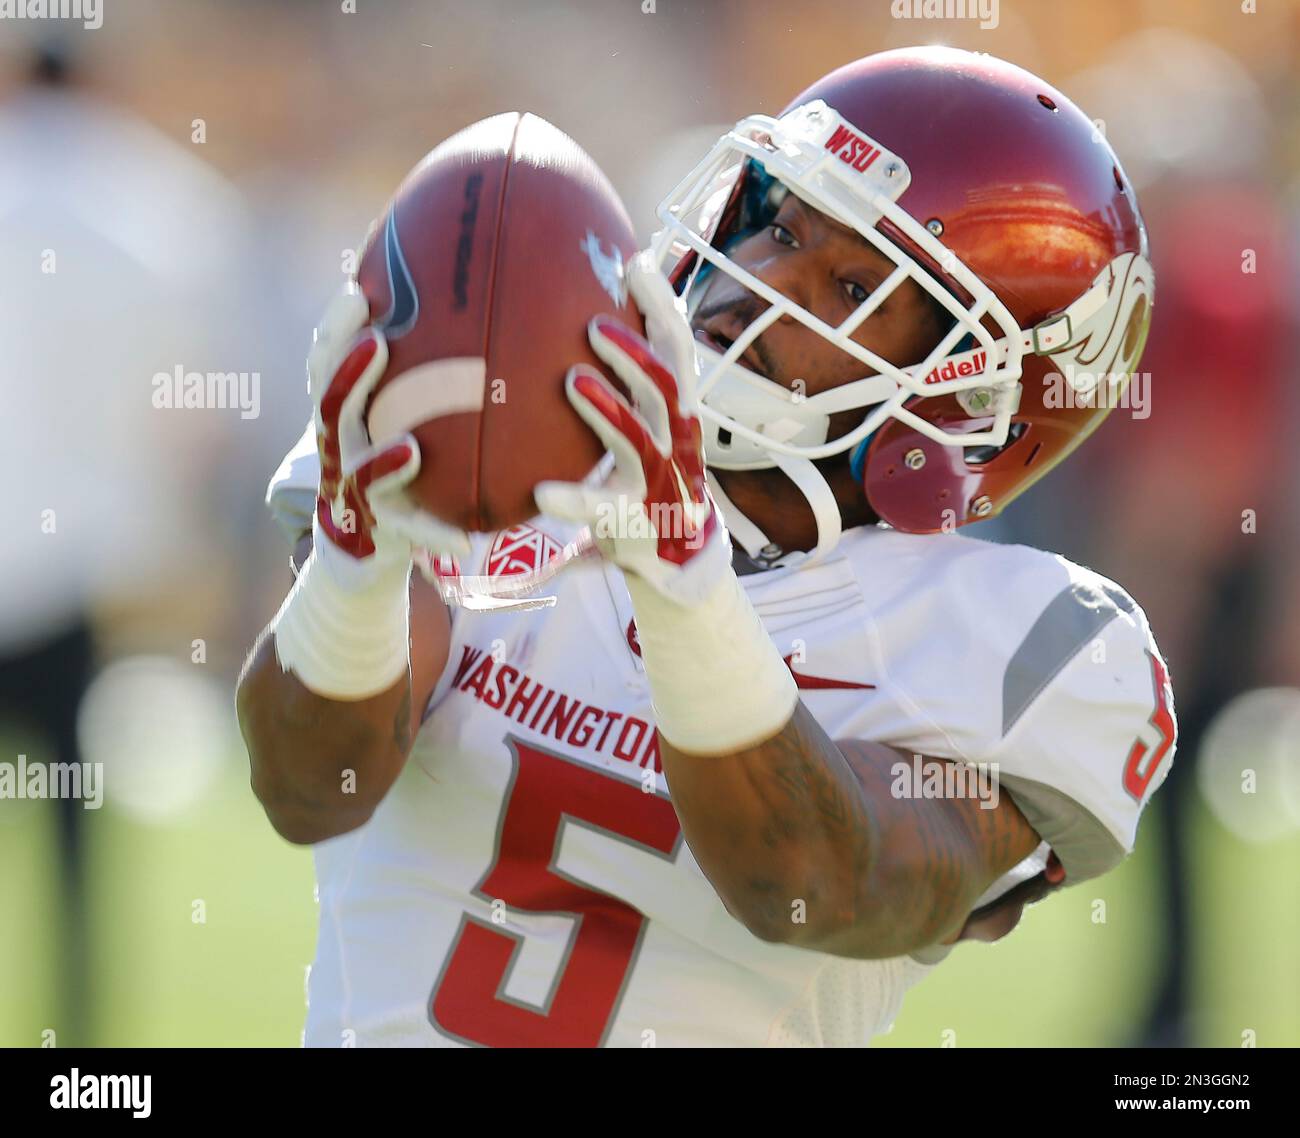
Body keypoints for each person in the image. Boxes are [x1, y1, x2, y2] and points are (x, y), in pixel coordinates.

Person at [236, 46, 1175, 1047]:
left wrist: (686, 589)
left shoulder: (1027, 640)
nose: (758, 279)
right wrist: (356, 556)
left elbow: (819, 886)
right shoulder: (509, 446)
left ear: (969, 391)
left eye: (849, 280)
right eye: (776, 226)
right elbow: (308, 788)